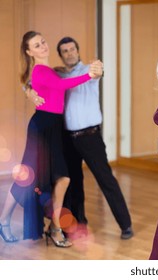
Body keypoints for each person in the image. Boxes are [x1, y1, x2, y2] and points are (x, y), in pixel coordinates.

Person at [0, 31, 101, 247]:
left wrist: (27, 89)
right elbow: (63, 86)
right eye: (37, 45)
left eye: (43, 42)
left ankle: (54, 228)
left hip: (54, 127)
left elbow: (32, 83)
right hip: (42, 128)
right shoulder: (40, 71)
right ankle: (5, 221)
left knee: (61, 178)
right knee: (30, 179)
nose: (43, 46)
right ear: (29, 52)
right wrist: (89, 76)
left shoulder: (48, 70)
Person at [26, 37, 133, 240]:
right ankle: (79, 225)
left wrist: (99, 67)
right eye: (64, 51)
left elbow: (98, 71)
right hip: (67, 137)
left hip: (90, 136)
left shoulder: (89, 70)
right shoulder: (56, 73)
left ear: (78, 50)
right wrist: (29, 92)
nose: (69, 53)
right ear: (61, 55)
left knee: (106, 179)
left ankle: (125, 225)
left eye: (72, 49)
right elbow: (29, 82)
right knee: (73, 184)